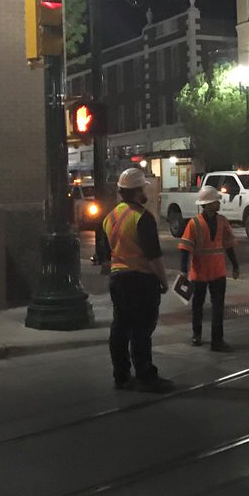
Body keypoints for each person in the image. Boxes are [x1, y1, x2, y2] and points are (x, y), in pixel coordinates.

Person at [100, 168, 173, 392]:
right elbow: (153, 256)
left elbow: (104, 256)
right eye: (143, 189)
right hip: (141, 280)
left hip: (118, 279)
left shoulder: (109, 217)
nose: (146, 193)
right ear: (137, 191)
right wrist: (163, 280)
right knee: (142, 330)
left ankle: (121, 376)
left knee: (120, 328)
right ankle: (146, 376)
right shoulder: (142, 217)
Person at [178, 185, 239, 352]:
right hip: (199, 273)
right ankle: (196, 335)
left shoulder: (222, 222)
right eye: (215, 201)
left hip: (217, 272)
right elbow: (185, 248)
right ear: (208, 204)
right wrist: (183, 270)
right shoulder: (194, 223)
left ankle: (216, 340)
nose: (218, 203)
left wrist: (235, 265)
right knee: (197, 306)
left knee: (217, 307)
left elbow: (229, 245)